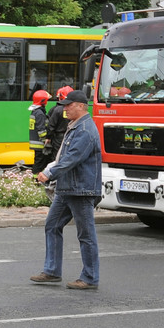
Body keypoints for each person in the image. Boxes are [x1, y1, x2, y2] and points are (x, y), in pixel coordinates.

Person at [30, 89, 103, 290]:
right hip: (67, 188)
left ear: (81, 106)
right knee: (52, 226)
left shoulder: (86, 130)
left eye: (68, 105)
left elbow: (71, 159)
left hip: (81, 190)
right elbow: (63, 156)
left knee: (86, 235)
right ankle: (52, 271)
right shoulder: (75, 126)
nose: (65, 109)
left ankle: (90, 277)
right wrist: (51, 169)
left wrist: (49, 174)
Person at [29, 89, 52, 175]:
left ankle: (36, 179)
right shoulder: (40, 113)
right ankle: (36, 180)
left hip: (35, 143)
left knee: (38, 162)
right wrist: (46, 140)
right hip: (39, 143)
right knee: (39, 164)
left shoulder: (35, 111)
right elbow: (41, 130)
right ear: (43, 101)